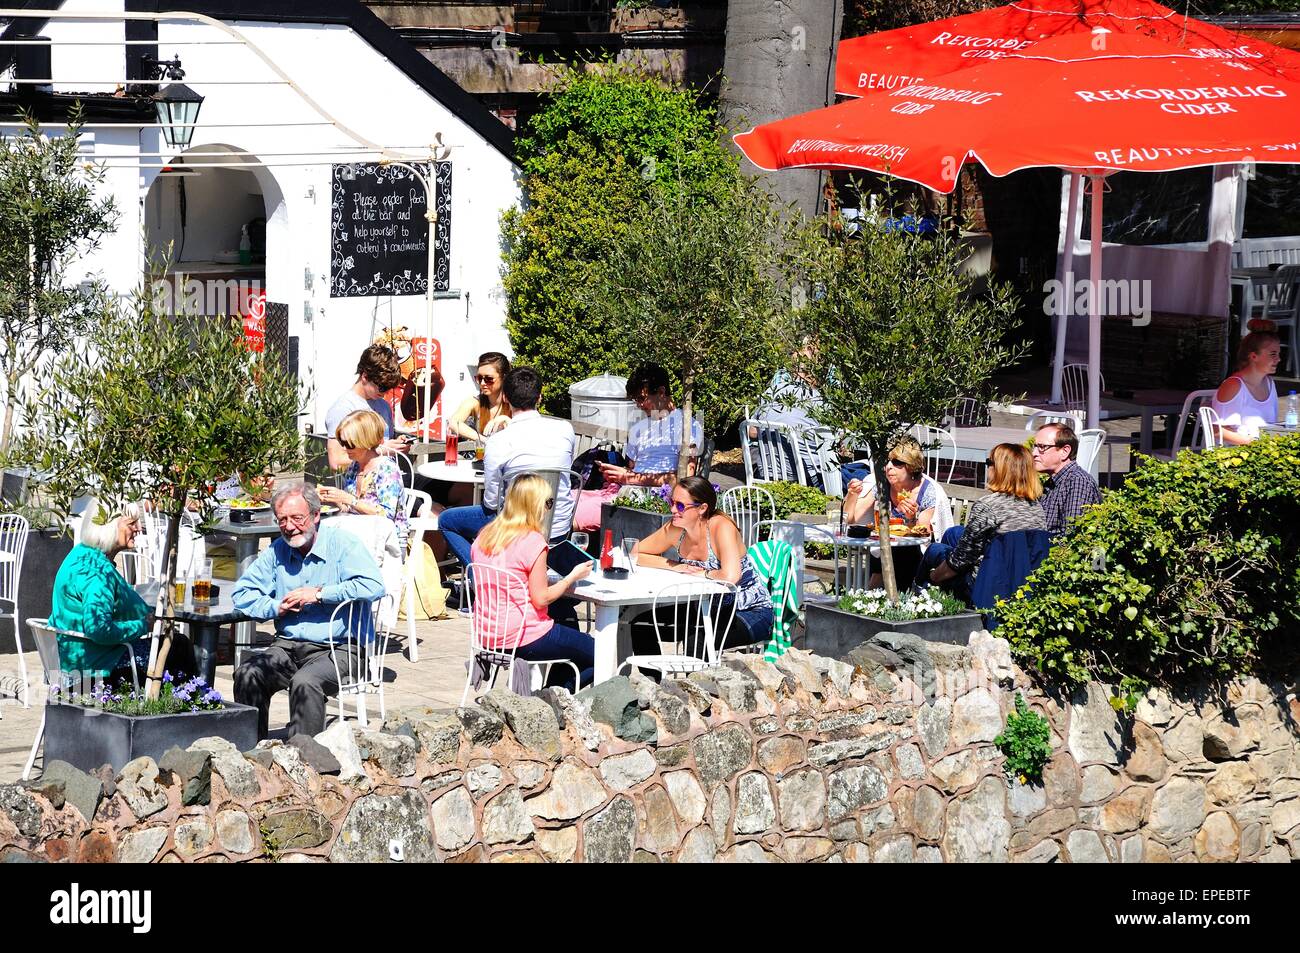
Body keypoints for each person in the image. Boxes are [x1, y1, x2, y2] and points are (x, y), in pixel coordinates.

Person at [232, 484, 386, 738]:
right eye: (282, 520)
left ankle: (307, 760)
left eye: (297, 518)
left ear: (316, 515)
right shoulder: (278, 551)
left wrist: (319, 594)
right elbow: (242, 594)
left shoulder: (343, 544)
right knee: (248, 673)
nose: (289, 527)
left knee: (306, 682)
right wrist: (275, 607)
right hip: (288, 646)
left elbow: (373, 586)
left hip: (341, 648)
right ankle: (251, 753)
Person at [439, 367, 581, 576]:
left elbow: (492, 501)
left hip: (518, 527)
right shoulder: (564, 430)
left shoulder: (499, 441)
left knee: (446, 520)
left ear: (505, 397)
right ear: (539, 397)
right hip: (558, 525)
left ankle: (483, 576)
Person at [470, 475, 595, 690]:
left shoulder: (484, 536)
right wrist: (571, 577)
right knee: (598, 652)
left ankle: (550, 696)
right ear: (535, 505)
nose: (549, 509)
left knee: (567, 625)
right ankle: (552, 699)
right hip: (522, 636)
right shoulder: (532, 541)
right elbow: (541, 599)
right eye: (548, 503)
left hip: (487, 635)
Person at [50, 500, 195, 685]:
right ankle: (192, 702)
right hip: (96, 667)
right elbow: (99, 629)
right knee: (178, 646)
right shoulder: (98, 574)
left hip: (75, 657)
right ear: (109, 528)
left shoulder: (80, 554)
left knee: (175, 645)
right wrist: (143, 625)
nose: (139, 528)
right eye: (131, 523)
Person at [631, 476, 774, 648]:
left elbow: (731, 576)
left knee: (697, 641)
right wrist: (675, 566)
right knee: (642, 625)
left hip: (750, 611)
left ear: (702, 508)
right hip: (706, 608)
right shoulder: (676, 529)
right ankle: (652, 676)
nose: (673, 509)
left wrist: (704, 573)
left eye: (681, 505)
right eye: (671, 502)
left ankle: (699, 676)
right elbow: (635, 553)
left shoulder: (721, 526)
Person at [571, 363, 703, 531]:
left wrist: (628, 478)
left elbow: (685, 478)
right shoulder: (638, 428)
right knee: (566, 499)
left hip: (653, 499)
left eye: (642, 399)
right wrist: (616, 477)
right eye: (635, 400)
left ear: (661, 392)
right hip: (624, 491)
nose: (639, 405)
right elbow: (632, 470)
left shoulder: (686, 426)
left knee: (573, 511)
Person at [920, 443, 1046, 604]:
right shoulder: (1037, 507)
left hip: (986, 586)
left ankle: (919, 594)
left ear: (1000, 469)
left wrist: (933, 577)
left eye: (989, 463)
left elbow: (959, 562)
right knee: (954, 533)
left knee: (934, 550)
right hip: (1020, 583)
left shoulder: (988, 506)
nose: (988, 468)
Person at [318, 409, 409, 543]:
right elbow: (350, 508)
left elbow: (386, 517)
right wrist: (332, 498)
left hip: (386, 542)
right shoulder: (354, 467)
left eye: (349, 444)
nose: (344, 449)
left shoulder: (386, 469)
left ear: (366, 441)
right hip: (359, 536)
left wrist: (348, 499)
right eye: (342, 443)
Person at [324, 344, 407, 469]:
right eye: (382, 386)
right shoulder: (342, 409)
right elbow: (336, 462)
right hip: (361, 484)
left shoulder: (384, 406)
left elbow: (384, 443)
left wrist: (397, 444)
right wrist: (381, 451)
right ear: (365, 376)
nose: (385, 393)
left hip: (387, 478)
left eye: (389, 388)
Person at [1211, 329, 1281, 445]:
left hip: (1265, 451)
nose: (1278, 359)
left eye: (1278, 354)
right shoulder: (1234, 386)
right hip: (1237, 456)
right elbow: (1216, 431)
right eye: (1273, 354)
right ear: (1253, 356)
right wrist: (1254, 444)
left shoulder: (1269, 383)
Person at [1033, 422, 1101, 538]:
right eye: (1034, 447)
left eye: (1042, 447)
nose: (1034, 453)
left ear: (1065, 451)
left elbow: (1071, 537)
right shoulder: (1053, 482)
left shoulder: (1078, 482)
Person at [448, 351, 513, 442]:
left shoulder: (515, 403)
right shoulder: (475, 402)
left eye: (489, 379)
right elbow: (453, 422)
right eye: (479, 378)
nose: (482, 383)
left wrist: (507, 420)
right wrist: (484, 440)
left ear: (504, 377)